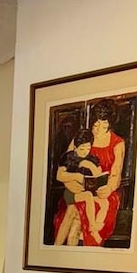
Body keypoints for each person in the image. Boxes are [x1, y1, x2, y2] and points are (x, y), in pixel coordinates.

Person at [53, 99, 125, 247]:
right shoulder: (81, 138)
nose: (98, 130)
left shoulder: (118, 143)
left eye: (104, 126)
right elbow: (64, 167)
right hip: (76, 188)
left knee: (77, 214)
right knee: (73, 210)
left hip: (103, 193)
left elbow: (115, 175)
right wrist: (74, 183)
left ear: (110, 125)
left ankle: (64, 254)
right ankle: (62, 253)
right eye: (95, 125)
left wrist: (108, 188)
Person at [54, 128, 108, 246]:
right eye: (82, 149)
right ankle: (92, 227)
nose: (85, 152)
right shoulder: (69, 157)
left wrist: (89, 165)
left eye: (88, 148)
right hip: (72, 192)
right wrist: (76, 176)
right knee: (76, 209)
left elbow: (99, 176)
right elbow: (59, 175)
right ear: (75, 147)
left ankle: (94, 228)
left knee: (103, 203)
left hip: (87, 191)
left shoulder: (92, 159)